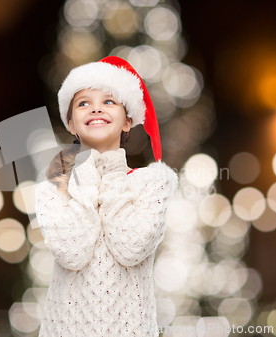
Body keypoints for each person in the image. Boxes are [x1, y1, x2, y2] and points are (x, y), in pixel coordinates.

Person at [34, 56, 178, 336]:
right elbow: (73, 252)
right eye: (83, 103)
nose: (96, 108)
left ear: (128, 121)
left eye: (109, 101)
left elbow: (130, 247)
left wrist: (111, 171)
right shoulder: (53, 188)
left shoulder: (153, 183)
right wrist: (86, 169)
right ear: (72, 124)